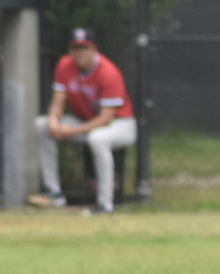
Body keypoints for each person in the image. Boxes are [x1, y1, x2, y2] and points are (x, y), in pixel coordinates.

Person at [27, 28, 137, 215]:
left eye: (85, 48)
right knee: (42, 125)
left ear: (94, 50)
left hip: (120, 124)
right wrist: (53, 120)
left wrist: (70, 132)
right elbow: (58, 102)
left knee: (97, 138)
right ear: (70, 51)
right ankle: (53, 193)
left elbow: (106, 118)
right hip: (86, 122)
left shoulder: (108, 72)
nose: (80, 52)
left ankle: (105, 203)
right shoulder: (64, 65)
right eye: (76, 48)